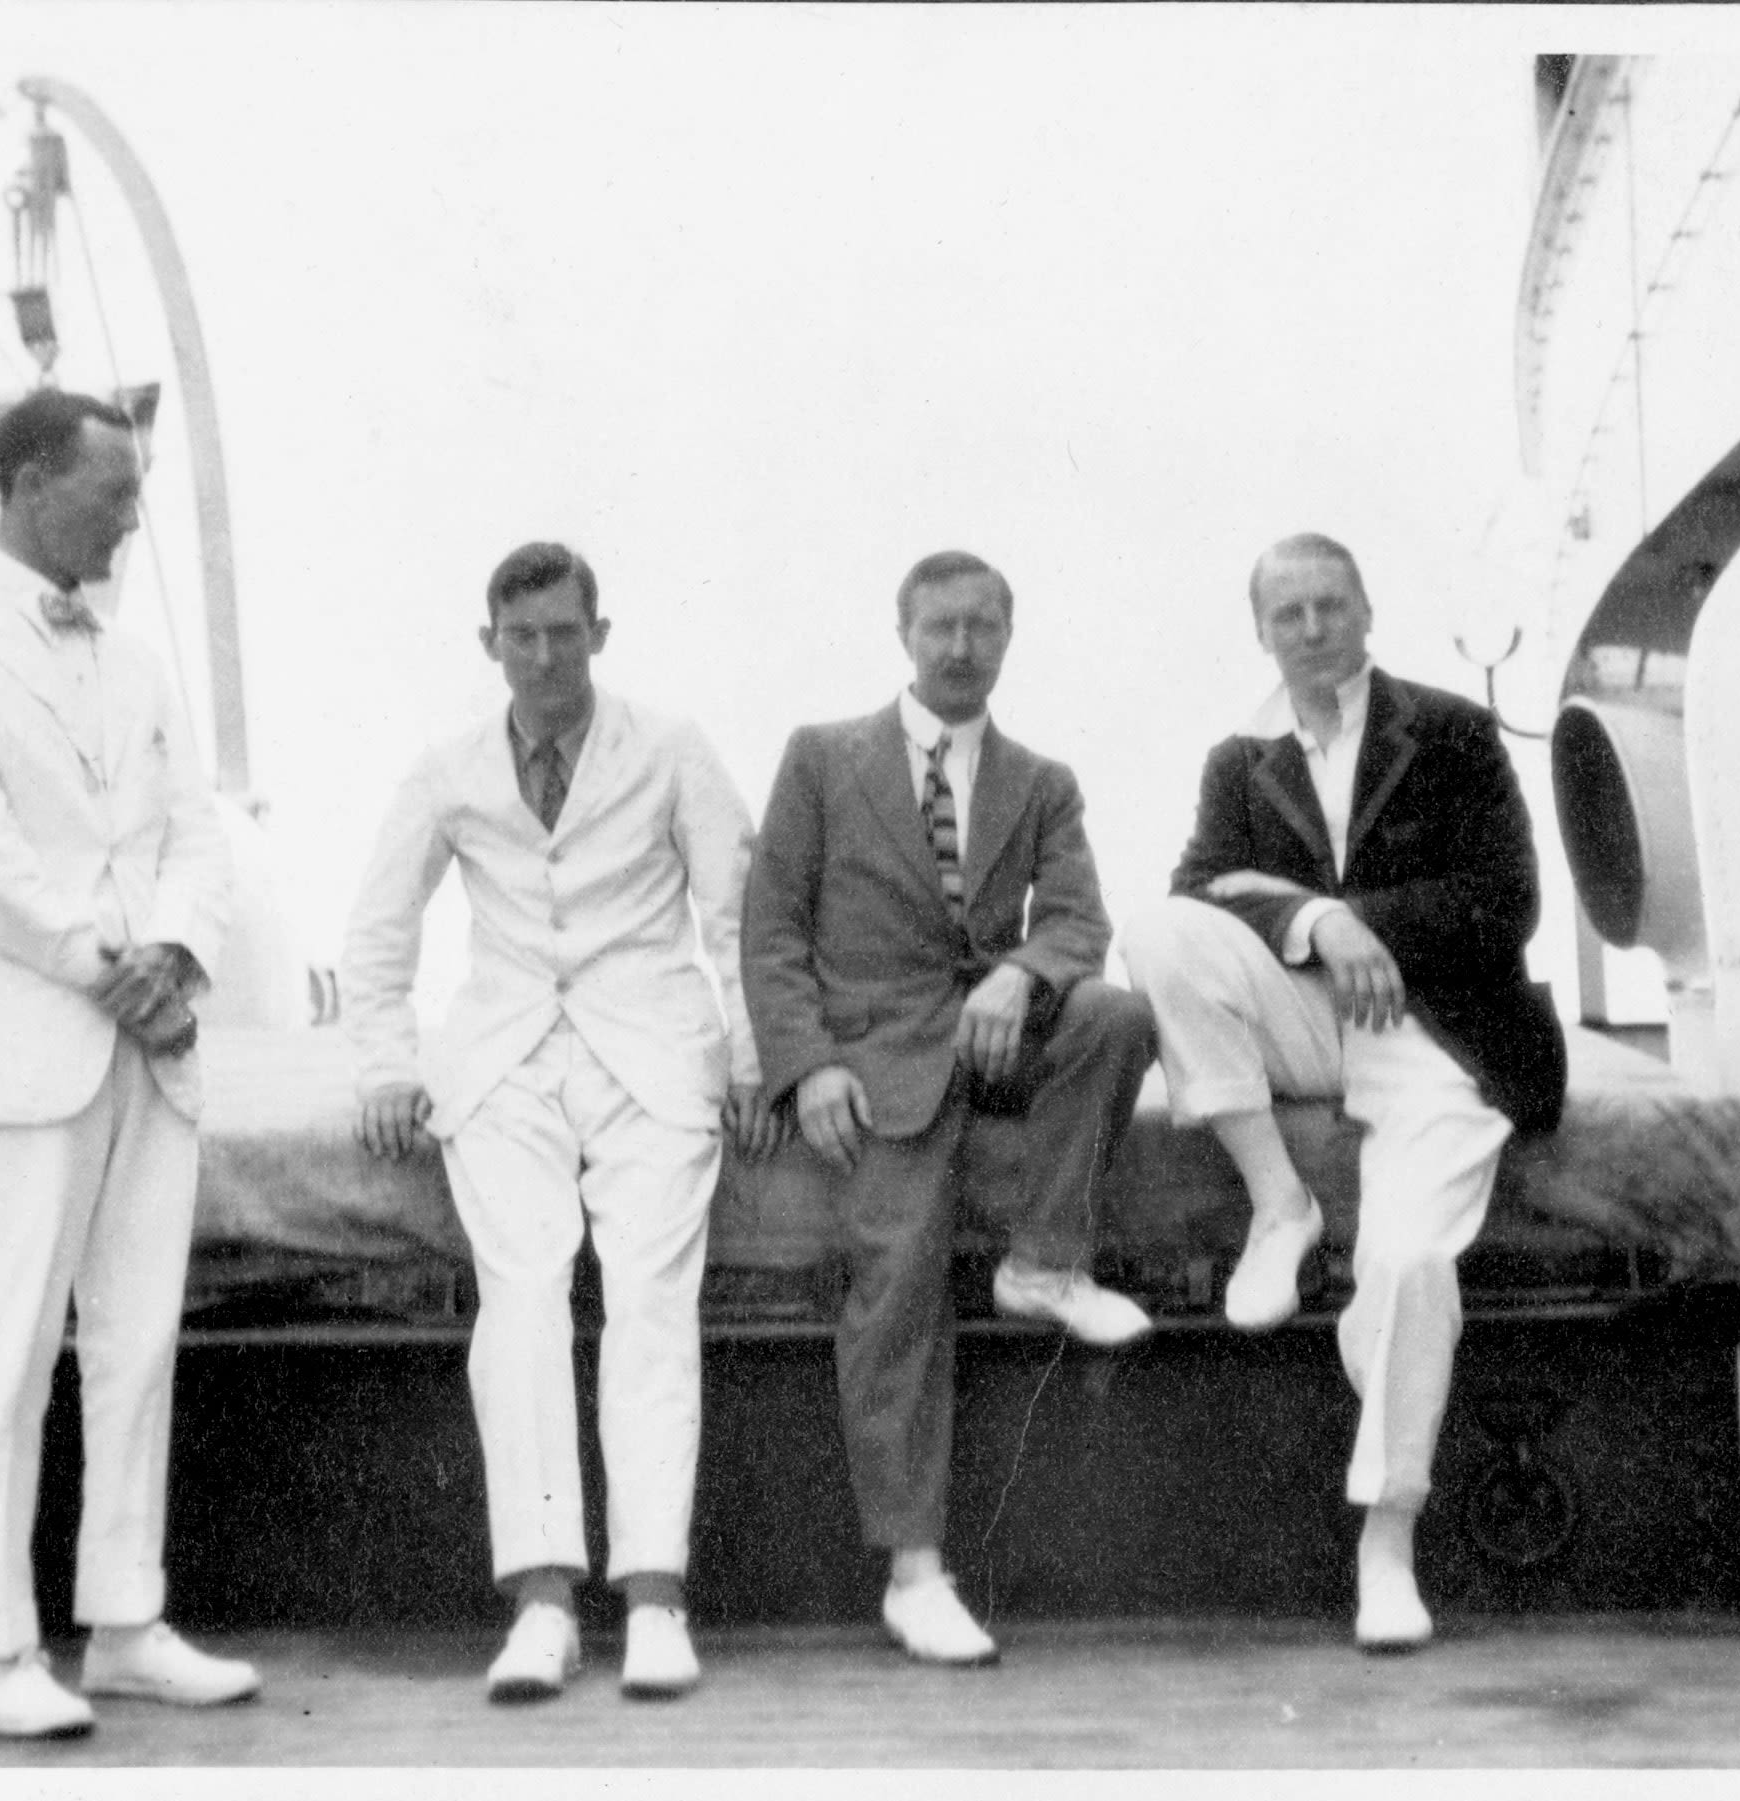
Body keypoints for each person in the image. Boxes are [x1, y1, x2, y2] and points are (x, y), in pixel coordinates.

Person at [0, 388, 258, 1738]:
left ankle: (128, 1623)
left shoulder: (140, 662)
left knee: (138, 1344)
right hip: (33, 1052)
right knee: (13, 1352)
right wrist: (114, 973)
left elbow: (196, 833)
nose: (135, 513)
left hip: (152, 1049)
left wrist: (178, 957)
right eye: (112, 489)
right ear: (31, 485)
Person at [1117, 533, 1566, 1651]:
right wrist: (1315, 920)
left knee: (1410, 1264)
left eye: (1330, 606)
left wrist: (1369, 925)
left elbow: (1505, 903)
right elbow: (1197, 890)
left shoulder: (1450, 731)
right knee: (1158, 933)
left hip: (1440, 1032)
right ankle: (1282, 1203)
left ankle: (1387, 1536)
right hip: (1320, 1023)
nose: (1312, 629)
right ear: (1262, 630)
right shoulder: (1242, 758)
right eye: (1288, 614)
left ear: (1366, 610)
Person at [342, 541, 773, 1702]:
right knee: (520, 1298)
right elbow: (378, 933)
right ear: (490, 643)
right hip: (504, 1063)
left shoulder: (672, 747)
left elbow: (738, 916)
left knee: (649, 1298)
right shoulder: (447, 768)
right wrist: (386, 1067)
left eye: (564, 633)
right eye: (520, 637)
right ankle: (541, 1601)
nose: (544, 657)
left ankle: (653, 1598)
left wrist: (749, 1058)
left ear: (599, 634)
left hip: (654, 1058)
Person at [742, 550, 1159, 1667]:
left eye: (983, 626)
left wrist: (1023, 974)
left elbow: (1077, 920)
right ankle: (914, 1573)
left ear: (1007, 639)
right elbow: (771, 929)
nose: (961, 646)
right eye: (942, 626)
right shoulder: (823, 758)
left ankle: (1044, 1263)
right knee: (896, 1285)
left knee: (1114, 1019)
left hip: (994, 1032)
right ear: (904, 631)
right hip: (876, 1065)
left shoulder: (1040, 780)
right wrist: (807, 1066)